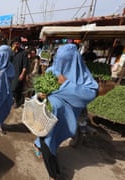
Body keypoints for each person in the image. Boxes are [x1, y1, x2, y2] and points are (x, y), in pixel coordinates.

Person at [33, 44, 99, 179]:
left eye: (67, 61)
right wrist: (39, 95)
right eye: (60, 60)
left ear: (75, 60)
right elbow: (39, 90)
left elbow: (90, 93)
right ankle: (53, 174)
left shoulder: (82, 76)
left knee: (55, 139)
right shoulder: (52, 71)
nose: (62, 64)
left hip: (66, 119)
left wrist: (66, 84)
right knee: (48, 142)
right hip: (47, 118)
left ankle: (39, 146)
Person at [10, 37, 30, 108]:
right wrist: (12, 51)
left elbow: (25, 65)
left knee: (16, 88)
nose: (16, 45)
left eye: (17, 44)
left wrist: (22, 74)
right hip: (11, 73)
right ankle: (14, 101)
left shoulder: (23, 53)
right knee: (12, 88)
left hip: (19, 73)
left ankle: (17, 102)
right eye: (14, 44)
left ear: (20, 44)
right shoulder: (11, 52)